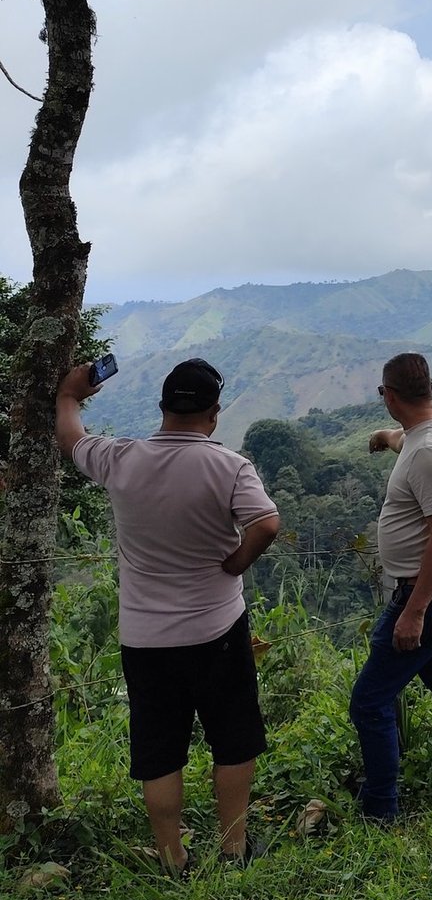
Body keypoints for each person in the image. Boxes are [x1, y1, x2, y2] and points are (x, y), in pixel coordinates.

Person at [56, 356, 281, 871]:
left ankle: (172, 858)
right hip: (217, 628)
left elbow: (72, 440)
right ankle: (233, 847)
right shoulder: (229, 466)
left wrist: (70, 397)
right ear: (214, 414)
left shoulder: (120, 459)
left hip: (146, 638)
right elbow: (266, 523)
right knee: (233, 737)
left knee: (159, 747)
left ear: (161, 407)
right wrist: (235, 562)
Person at [348, 352, 432, 821]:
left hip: (431, 594)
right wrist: (384, 438)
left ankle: (381, 806)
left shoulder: (428, 452)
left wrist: (415, 611)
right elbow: (406, 438)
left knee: (369, 701)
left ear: (388, 395)